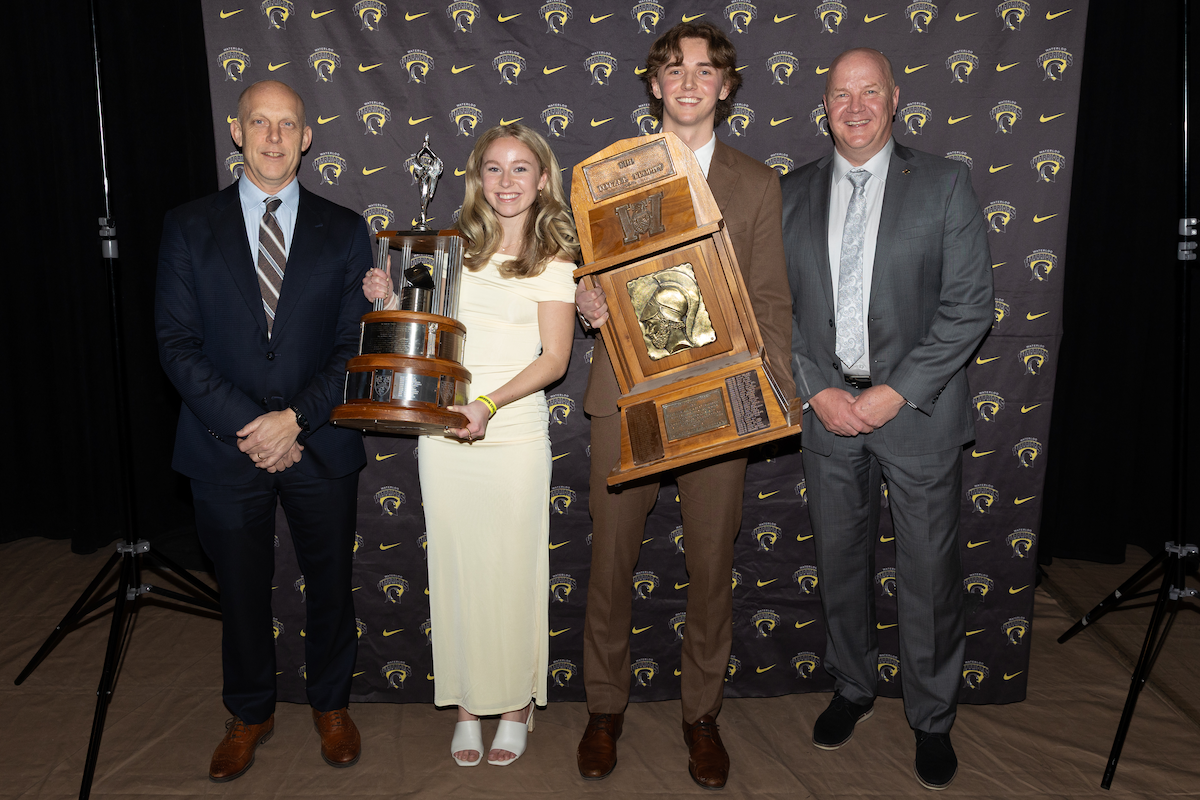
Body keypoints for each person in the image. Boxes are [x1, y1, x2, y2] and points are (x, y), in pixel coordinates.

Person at [573, 20, 794, 790]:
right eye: (674, 68)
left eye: (704, 70)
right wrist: (587, 303)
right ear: (654, 84)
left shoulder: (757, 183)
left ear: (725, 87)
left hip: (718, 401)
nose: (689, 81)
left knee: (710, 566)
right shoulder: (609, 174)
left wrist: (768, 397)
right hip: (624, 394)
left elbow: (770, 300)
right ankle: (605, 708)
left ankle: (702, 715)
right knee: (610, 566)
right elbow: (591, 275)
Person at [780, 48, 993, 790]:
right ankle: (852, 685)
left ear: (894, 99)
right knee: (840, 563)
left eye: (869, 92)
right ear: (824, 106)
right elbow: (772, 309)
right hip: (827, 412)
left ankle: (932, 717)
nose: (856, 107)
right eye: (842, 94)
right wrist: (816, 389)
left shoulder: (944, 182)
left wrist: (895, 392)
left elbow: (970, 305)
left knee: (929, 574)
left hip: (917, 413)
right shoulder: (790, 192)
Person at [155, 80, 370, 781]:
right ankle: (249, 712)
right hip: (224, 445)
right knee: (241, 591)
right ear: (236, 131)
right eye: (259, 122)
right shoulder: (188, 225)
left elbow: (353, 345)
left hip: (320, 442)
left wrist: (295, 419)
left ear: (306, 137)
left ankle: (331, 704)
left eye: (287, 125)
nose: (273, 137)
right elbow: (176, 344)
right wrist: (256, 427)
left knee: (331, 584)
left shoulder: (345, 230)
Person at [362, 123, 578, 767]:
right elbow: (428, 328)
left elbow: (555, 359)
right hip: (445, 431)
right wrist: (390, 297)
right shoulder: (451, 248)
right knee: (455, 568)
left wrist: (487, 405)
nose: (506, 181)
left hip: (512, 430)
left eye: (520, 168)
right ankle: (463, 704)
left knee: (512, 570)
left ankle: (514, 704)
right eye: (494, 168)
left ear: (543, 178)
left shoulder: (556, 258)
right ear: (477, 179)